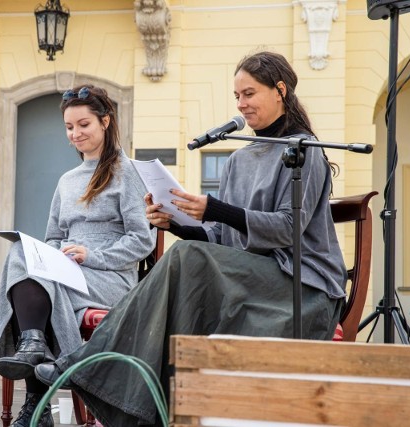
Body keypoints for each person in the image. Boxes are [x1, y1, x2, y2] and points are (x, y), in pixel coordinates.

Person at [34, 51, 347, 426]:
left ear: (280, 90)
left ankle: (92, 365)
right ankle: (146, 406)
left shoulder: (305, 151)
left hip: (303, 288)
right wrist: (174, 223)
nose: (241, 104)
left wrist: (213, 209)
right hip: (250, 278)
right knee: (187, 255)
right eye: (237, 96)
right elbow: (224, 239)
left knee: (187, 259)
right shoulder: (238, 160)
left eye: (249, 94)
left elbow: (285, 229)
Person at [0, 85, 156, 426]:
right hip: (68, 272)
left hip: (110, 278)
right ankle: (33, 344)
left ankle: (35, 402)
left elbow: (143, 241)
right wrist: (52, 253)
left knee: (43, 283)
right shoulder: (67, 180)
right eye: (69, 127)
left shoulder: (128, 173)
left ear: (105, 122)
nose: (75, 133)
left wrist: (90, 255)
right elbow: (53, 235)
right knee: (23, 250)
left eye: (83, 125)